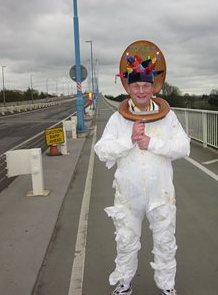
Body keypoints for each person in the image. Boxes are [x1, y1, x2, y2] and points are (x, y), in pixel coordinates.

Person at [94, 41, 190, 295]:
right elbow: (101, 150)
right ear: (129, 88)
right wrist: (130, 141)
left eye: (145, 85)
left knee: (166, 241)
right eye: (135, 86)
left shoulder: (168, 116)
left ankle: (168, 287)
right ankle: (124, 284)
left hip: (161, 193)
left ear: (153, 86)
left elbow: (183, 147)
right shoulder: (118, 119)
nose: (140, 91)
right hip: (128, 194)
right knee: (125, 241)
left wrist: (152, 143)